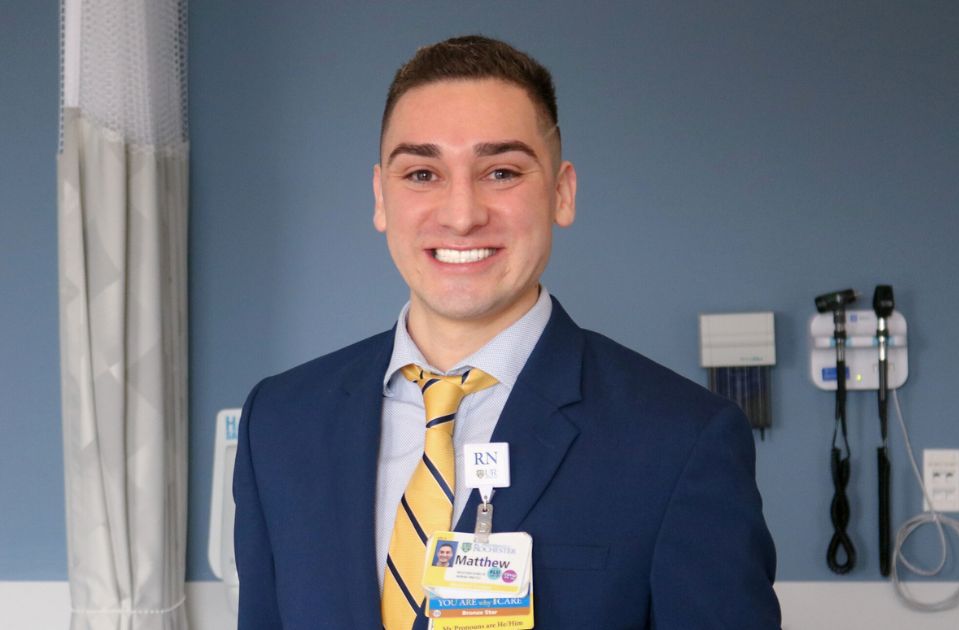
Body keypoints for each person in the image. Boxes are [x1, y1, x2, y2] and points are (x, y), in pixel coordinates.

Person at [234, 35, 781, 629]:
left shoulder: (680, 441)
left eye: (500, 171)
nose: (462, 214)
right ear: (381, 198)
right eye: (422, 173)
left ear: (561, 192)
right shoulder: (280, 425)